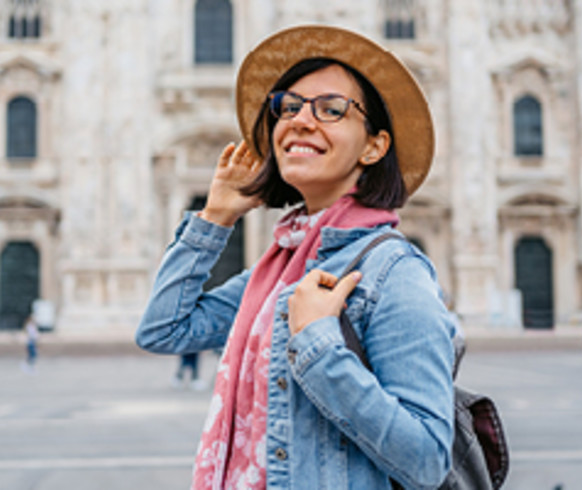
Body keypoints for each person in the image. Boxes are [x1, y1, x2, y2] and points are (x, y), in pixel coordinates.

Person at [136, 25, 455, 489]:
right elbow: (163, 329)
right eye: (289, 107)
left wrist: (320, 343)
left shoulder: (395, 273)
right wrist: (214, 218)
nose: (300, 120)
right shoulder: (280, 271)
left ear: (374, 145)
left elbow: (427, 460)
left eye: (331, 109)